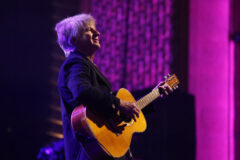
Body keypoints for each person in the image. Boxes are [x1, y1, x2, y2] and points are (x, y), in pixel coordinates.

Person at [55, 14, 171, 160]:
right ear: (74, 40)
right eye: (89, 30)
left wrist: (155, 94)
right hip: (89, 152)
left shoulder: (84, 65)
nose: (97, 33)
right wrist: (118, 103)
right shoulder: (77, 63)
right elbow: (81, 90)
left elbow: (113, 113)